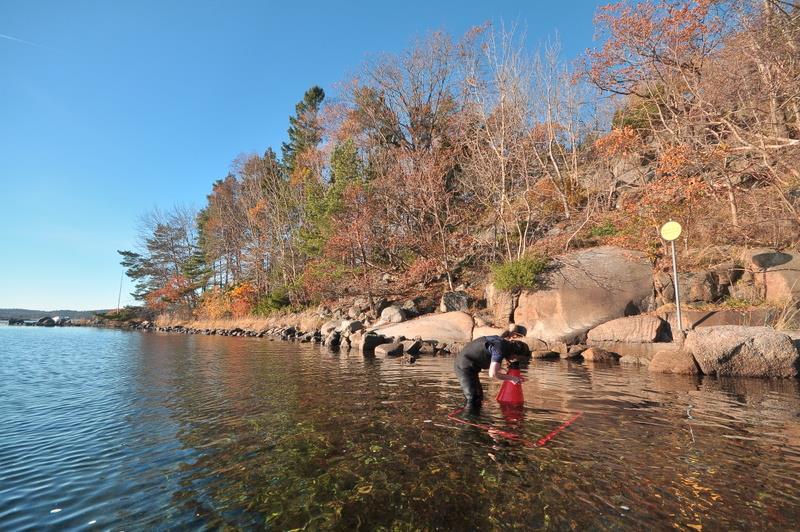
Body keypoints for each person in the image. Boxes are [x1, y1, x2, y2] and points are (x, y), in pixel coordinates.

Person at [454, 333, 529, 413]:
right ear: (515, 353)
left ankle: (477, 419)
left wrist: (512, 375)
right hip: (464, 366)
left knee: (479, 397)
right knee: (473, 398)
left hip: (471, 366)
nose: (515, 360)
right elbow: (492, 374)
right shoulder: (500, 350)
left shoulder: (504, 344)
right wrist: (512, 378)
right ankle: (469, 422)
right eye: (517, 358)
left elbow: (494, 363)